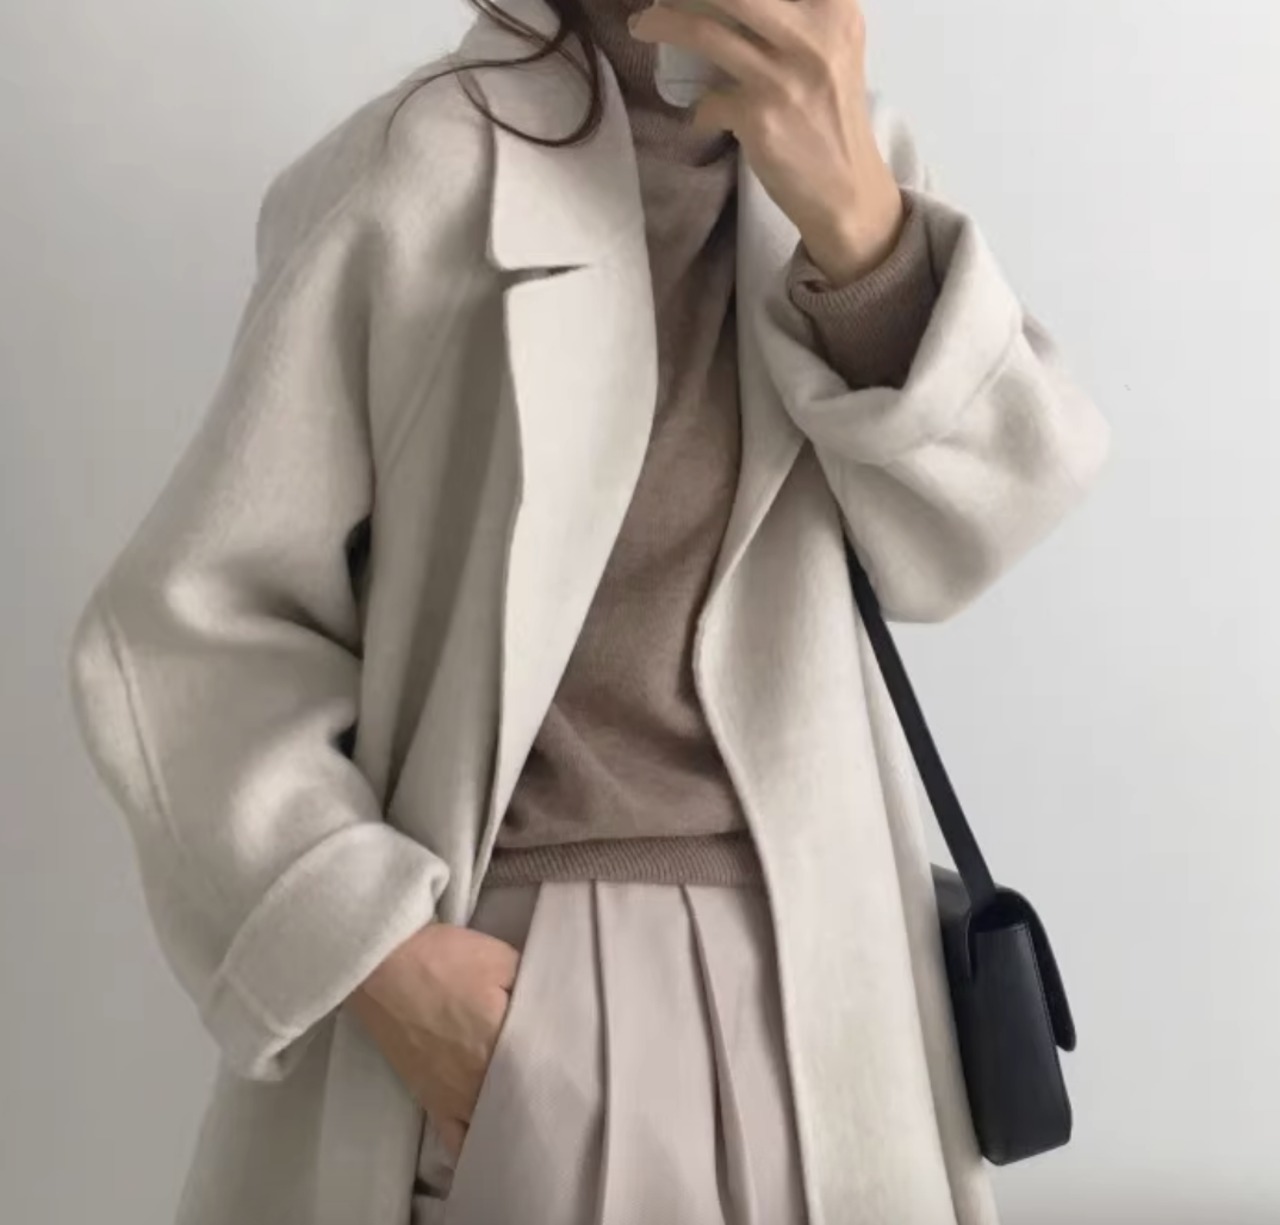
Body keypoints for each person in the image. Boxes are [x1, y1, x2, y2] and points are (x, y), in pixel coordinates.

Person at [66, 1, 1110, 1223]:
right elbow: (190, 628)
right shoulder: (425, 168)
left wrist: (862, 232)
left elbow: (979, 525)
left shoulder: (849, 161)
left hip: (843, 1009)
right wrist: (378, 955)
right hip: (529, 979)